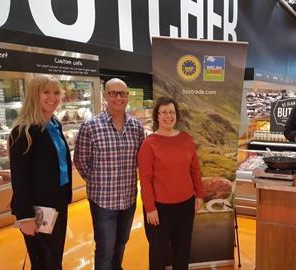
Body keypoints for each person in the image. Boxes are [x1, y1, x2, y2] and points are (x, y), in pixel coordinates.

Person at [74, 78, 145, 270]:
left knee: (122, 242)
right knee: (105, 248)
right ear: (106, 95)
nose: (118, 98)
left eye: (122, 93)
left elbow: (141, 158)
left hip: (129, 198)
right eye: (113, 93)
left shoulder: (136, 128)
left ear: (127, 96)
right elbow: (80, 161)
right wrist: (96, 181)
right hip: (103, 201)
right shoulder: (90, 126)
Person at [8, 74, 72, 269]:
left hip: (57, 203)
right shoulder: (23, 132)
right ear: (34, 95)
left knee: (54, 257)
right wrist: (25, 217)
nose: (52, 97)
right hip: (37, 210)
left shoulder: (54, 125)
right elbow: (19, 179)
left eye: (56, 92)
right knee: (43, 261)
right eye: (46, 92)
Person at [138, 96, 204, 270]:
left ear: (177, 116)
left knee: (182, 250)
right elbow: (145, 179)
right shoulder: (149, 144)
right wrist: (150, 208)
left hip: (186, 205)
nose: (169, 116)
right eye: (164, 112)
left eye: (172, 112)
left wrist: (200, 195)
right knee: (158, 253)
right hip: (159, 209)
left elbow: (195, 170)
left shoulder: (186, 139)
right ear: (157, 116)